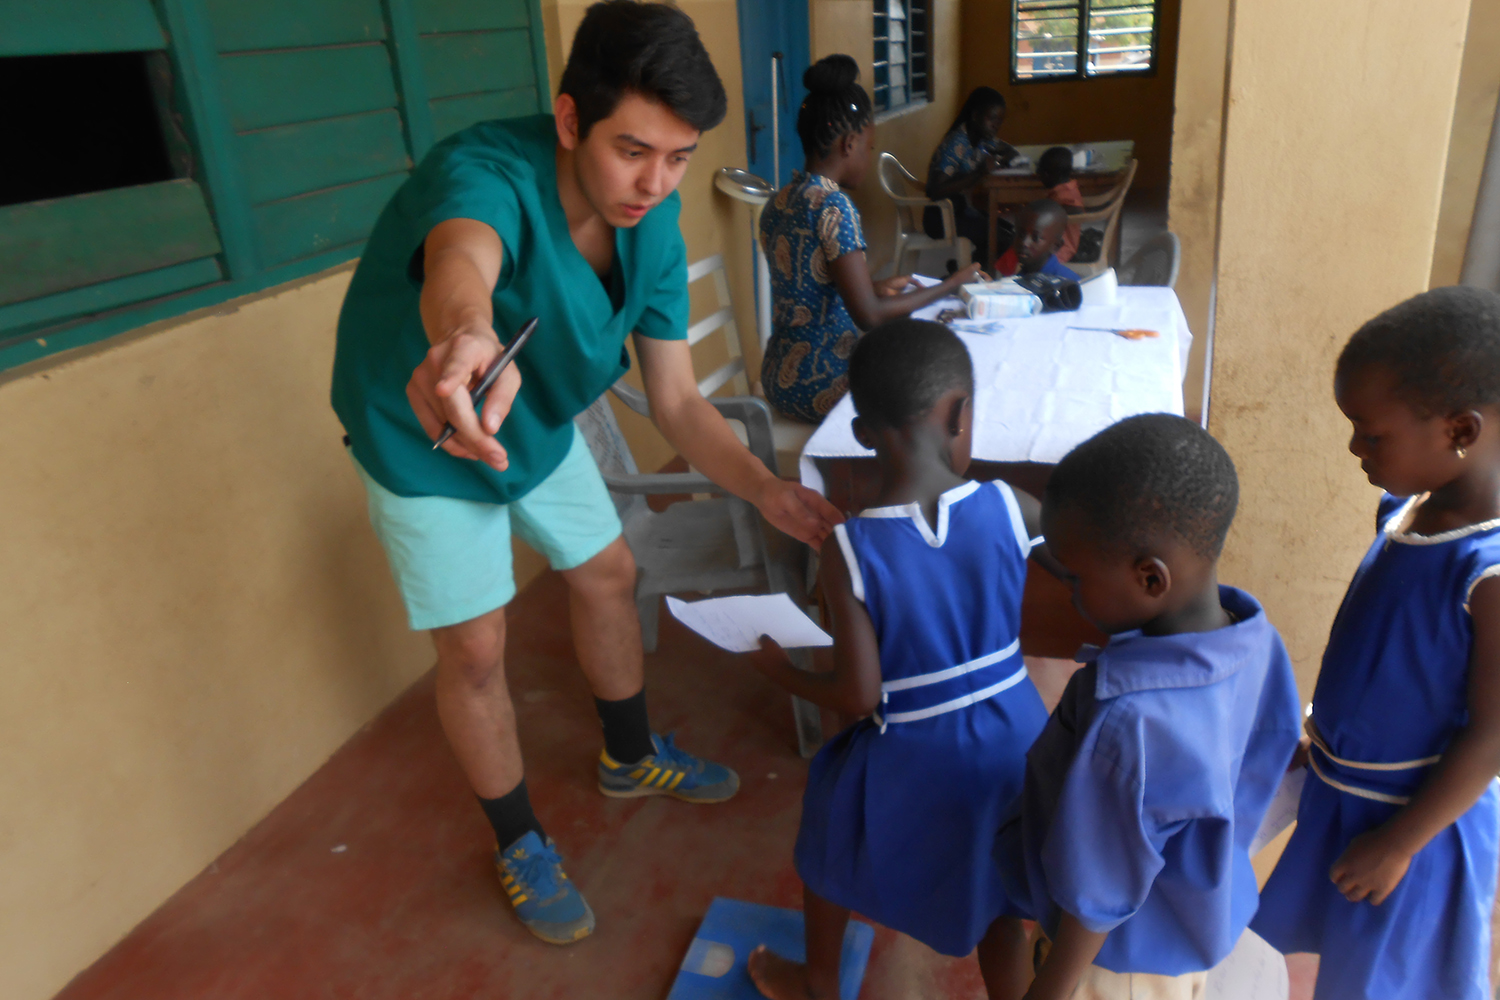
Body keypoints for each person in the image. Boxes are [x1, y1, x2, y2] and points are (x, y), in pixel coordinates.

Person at [330, 1, 842, 947]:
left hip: (535, 418)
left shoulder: (651, 223)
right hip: (426, 430)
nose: (655, 181)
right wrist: (466, 335)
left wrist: (767, 491)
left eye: (680, 156)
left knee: (607, 572)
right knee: (476, 651)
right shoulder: (482, 169)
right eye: (632, 149)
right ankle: (519, 838)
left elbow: (681, 406)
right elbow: (460, 259)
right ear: (570, 122)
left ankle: (629, 753)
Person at [741, 319, 1053, 1000]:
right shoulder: (1010, 505)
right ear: (960, 416)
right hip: (1019, 739)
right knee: (1000, 886)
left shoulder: (850, 549)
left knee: (826, 839)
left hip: (917, 749)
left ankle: (819, 984)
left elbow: (858, 698)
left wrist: (780, 672)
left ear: (859, 434)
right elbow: (1077, 560)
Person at [997, 413, 1302, 1000]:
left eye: (1076, 577)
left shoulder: (1132, 723)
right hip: (1188, 921)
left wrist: (1051, 989)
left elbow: (1098, 897)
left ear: (1151, 579)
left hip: (1117, 965)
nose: (1071, 591)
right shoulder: (1253, 637)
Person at [1251, 287, 1500, 1000]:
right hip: (1344, 795)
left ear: (1458, 429)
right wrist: (1323, 738)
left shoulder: (1486, 572)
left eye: (1370, 432)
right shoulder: (1410, 512)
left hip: (1414, 826)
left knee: (1384, 979)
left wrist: (1399, 843)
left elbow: (1492, 733)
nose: (1355, 447)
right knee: (1328, 958)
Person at [759, 56, 983, 424]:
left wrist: (873, 285)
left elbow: (808, 287)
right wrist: (951, 285)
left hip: (777, 376)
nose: (869, 154)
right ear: (849, 143)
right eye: (869, 146)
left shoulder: (779, 202)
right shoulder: (834, 206)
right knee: (929, 385)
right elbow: (870, 317)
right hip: (822, 381)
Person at [924, 87, 1020, 257]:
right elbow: (935, 190)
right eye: (992, 118)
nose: (996, 125)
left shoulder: (981, 138)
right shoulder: (957, 142)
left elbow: (1010, 151)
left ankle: (962, 270)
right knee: (1001, 239)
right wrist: (979, 173)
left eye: (999, 120)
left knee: (1008, 230)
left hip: (960, 210)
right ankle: (970, 273)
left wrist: (1005, 158)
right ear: (975, 116)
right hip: (941, 217)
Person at [994, 200, 1079, 280]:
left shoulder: (1067, 285)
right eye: (1020, 234)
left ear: (1056, 246)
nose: (1024, 242)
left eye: (1035, 238)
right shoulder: (1022, 276)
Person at [1036, 147, 1083, 264]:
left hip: (1061, 252)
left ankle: (1008, 278)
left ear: (1046, 174)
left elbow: (1076, 211)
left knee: (1020, 249)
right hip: (1059, 246)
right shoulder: (1068, 189)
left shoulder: (1064, 197)